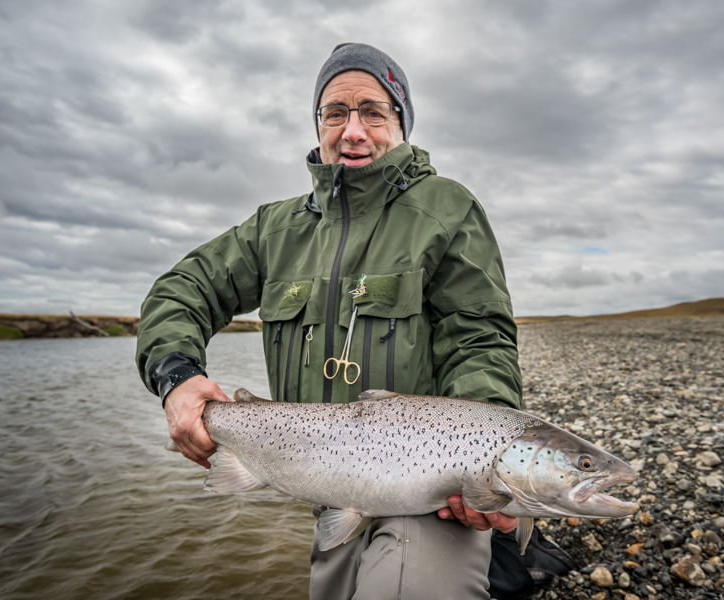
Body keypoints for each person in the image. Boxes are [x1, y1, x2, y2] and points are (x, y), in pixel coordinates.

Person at [136, 42, 523, 600]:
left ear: (401, 121)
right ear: (318, 123)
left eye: (373, 111)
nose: (353, 130)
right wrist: (176, 378)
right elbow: (181, 289)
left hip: (428, 492)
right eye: (335, 112)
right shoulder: (275, 228)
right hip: (323, 485)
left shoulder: (446, 208)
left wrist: (483, 460)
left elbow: (479, 339)